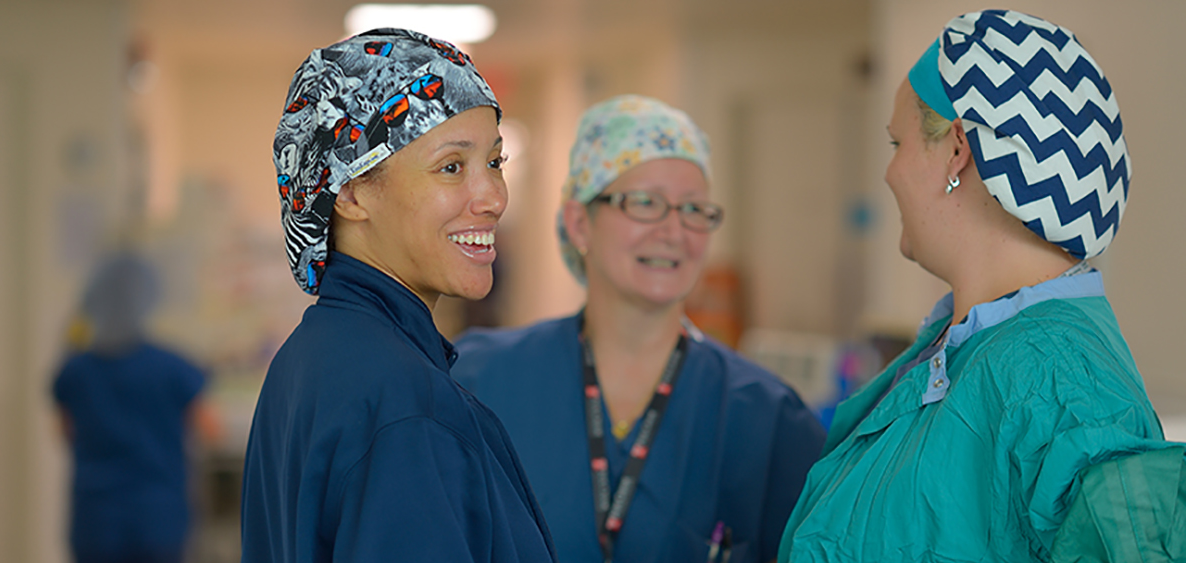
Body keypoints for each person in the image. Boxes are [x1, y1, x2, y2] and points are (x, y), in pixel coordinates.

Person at [778, 10, 1186, 562]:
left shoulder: (1060, 380)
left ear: (956, 150)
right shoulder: (972, 347)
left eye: (896, 144)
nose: (889, 173)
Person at [451, 95, 827, 563]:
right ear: (579, 223)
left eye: (694, 210)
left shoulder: (766, 417)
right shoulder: (480, 381)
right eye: (645, 203)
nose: (673, 231)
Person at [240, 28, 557, 563]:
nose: (494, 198)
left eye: (495, 163)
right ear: (352, 193)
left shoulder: (308, 361)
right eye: (451, 167)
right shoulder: (406, 408)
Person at [53, 251, 219, 563]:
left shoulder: (75, 371)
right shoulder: (173, 368)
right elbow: (211, 429)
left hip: (96, 519)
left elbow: (64, 431)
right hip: (158, 517)